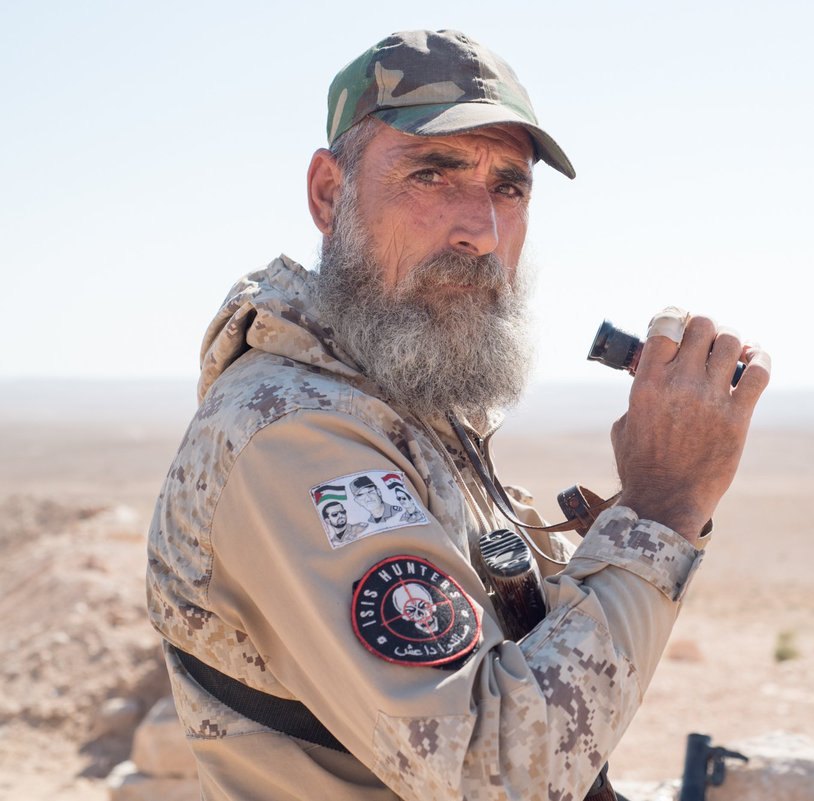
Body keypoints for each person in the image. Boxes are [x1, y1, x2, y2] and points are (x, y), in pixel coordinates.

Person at [146, 28, 769, 801]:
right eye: (432, 174)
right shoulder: (292, 436)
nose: (481, 231)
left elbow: (525, 659)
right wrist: (663, 504)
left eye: (509, 187)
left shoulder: (398, 403)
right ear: (329, 194)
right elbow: (493, 771)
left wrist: (649, 498)